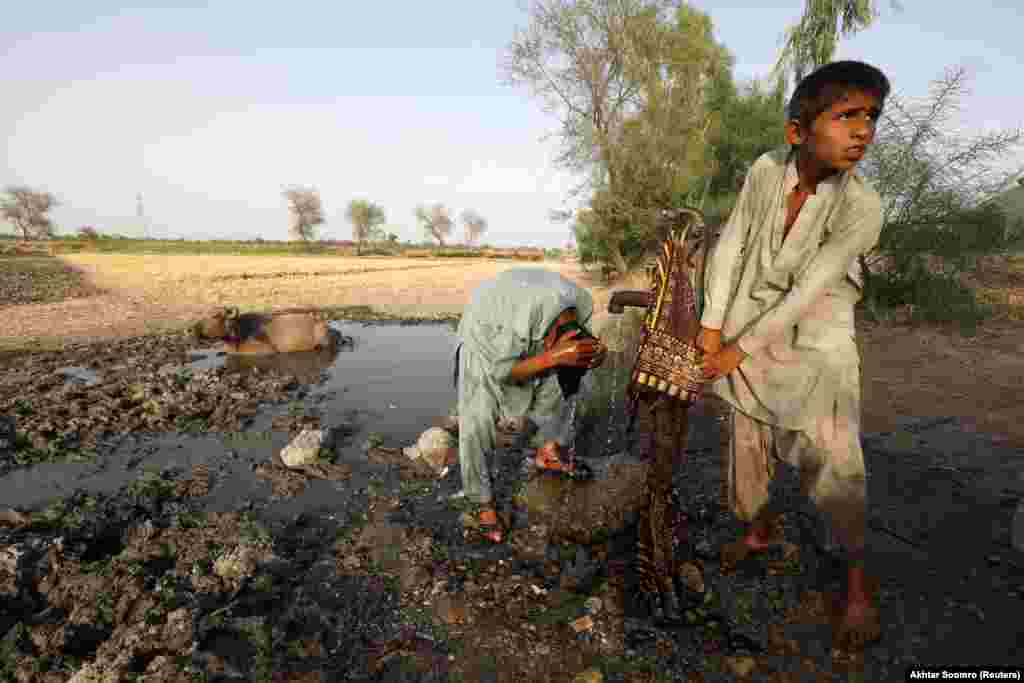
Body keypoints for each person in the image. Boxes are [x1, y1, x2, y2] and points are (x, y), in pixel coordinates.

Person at [697, 60, 890, 651]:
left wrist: (734, 349)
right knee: (748, 446)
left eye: (872, 118)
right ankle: (758, 532)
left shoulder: (862, 207)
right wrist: (711, 327)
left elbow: (810, 292)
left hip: (815, 346)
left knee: (836, 468)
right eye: (846, 116)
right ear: (797, 131)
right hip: (742, 326)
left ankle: (857, 589)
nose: (862, 131)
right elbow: (731, 245)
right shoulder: (764, 172)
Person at [454, 268, 608, 543]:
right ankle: (482, 503)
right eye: (551, 348)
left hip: (532, 318)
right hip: (486, 330)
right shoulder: (518, 320)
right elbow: (504, 373)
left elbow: (572, 360)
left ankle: (547, 450)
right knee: (478, 415)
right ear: (549, 341)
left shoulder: (580, 306)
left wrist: (595, 354)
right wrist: (551, 358)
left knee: (564, 380)